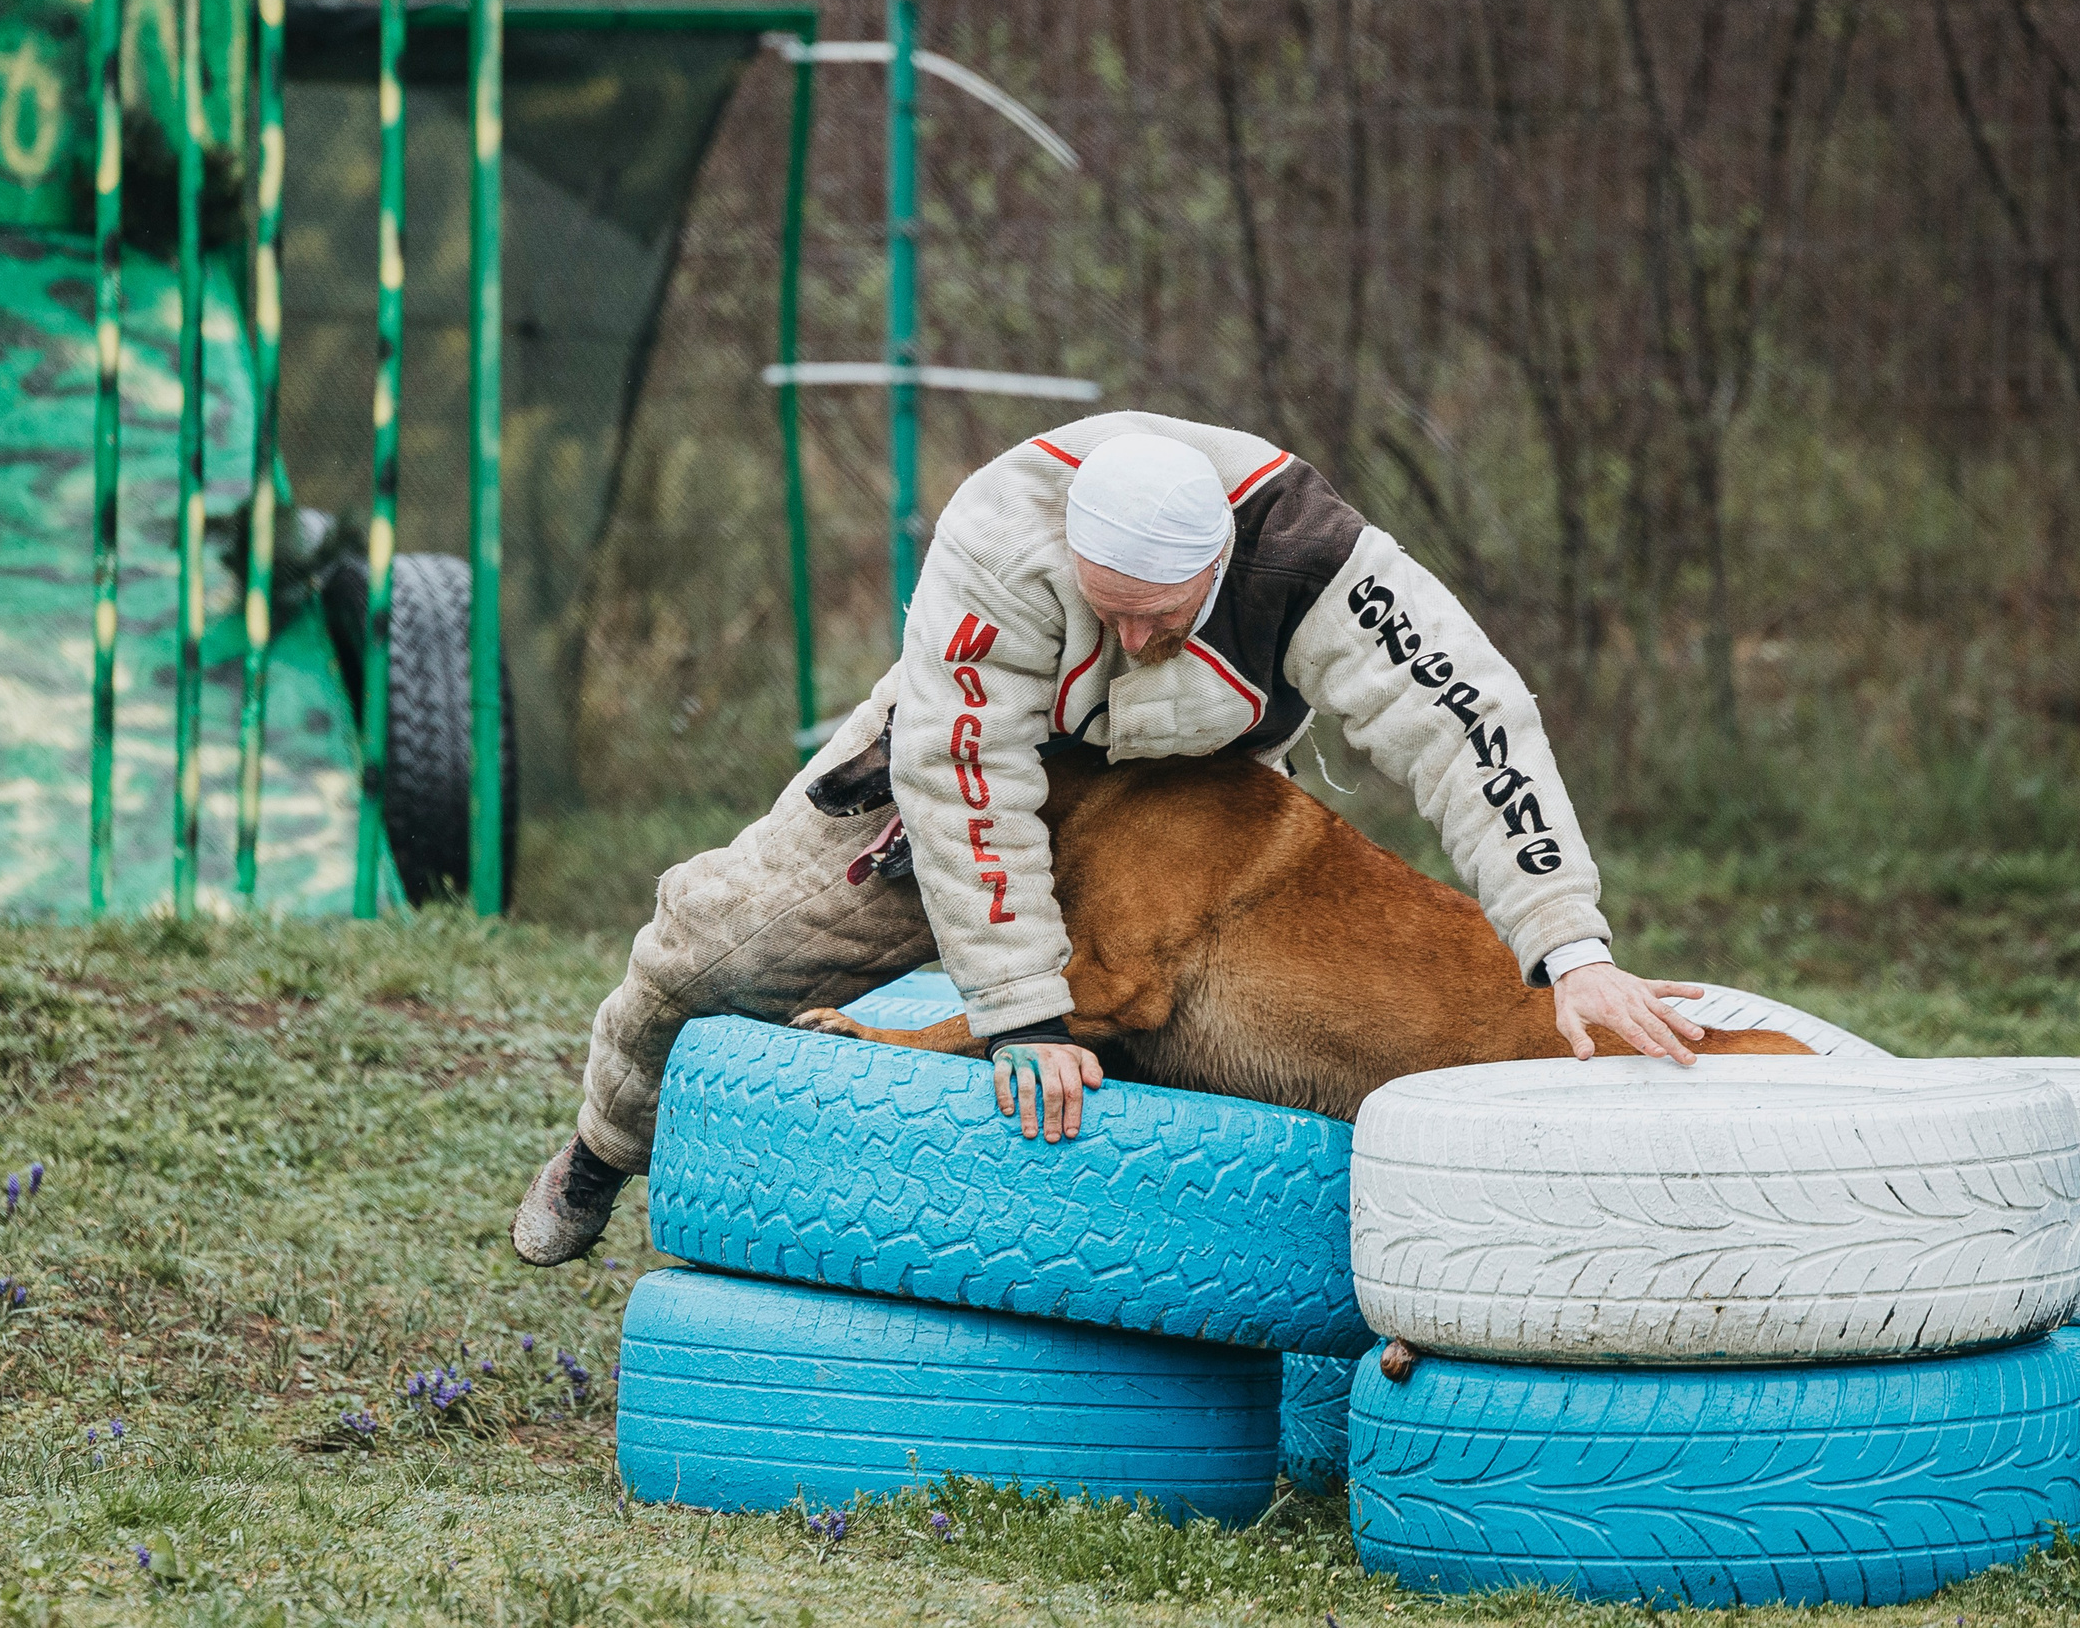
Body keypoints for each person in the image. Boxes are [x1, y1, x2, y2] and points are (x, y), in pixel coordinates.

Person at [512, 412, 1706, 1266]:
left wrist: (1566, 943)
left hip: (1181, 788)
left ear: (1220, 567)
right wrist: (1022, 1016)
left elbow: (1470, 722)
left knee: (1147, 987)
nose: (1135, 641)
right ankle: (601, 1153)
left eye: (1164, 618)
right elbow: (959, 774)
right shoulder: (998, 539)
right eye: (1110, 612)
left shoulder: (1318, 559)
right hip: (960, 764)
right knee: (709, 952)